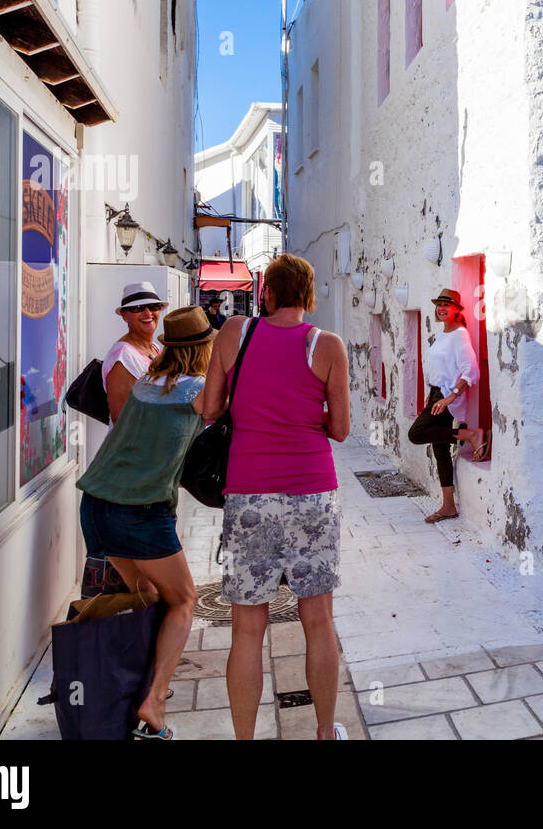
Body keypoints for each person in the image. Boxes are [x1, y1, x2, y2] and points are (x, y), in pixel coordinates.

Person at [201, 254, 351, 740]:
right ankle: (325, 731)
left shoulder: (234, 334)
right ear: (308, 296)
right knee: (318, 618)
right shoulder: (327, 346)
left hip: (249, 493)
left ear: (265, 293)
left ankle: (245, 738)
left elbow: (209, 407)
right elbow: (342, 430)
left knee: (248, 627)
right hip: (312, 492)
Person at [76, 306, 215, 740]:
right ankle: (153, 704)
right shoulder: (197, 390)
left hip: (96, 503)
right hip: (139, 510)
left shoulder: (144, 385)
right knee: (184, 600)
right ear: (202, 348)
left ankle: (135, 686)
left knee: (147, 593)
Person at [407, 288, 489, 523]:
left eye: (447, 304)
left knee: (416, 433)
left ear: (456, 309)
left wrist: (449, 397)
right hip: (435, 395)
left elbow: (471, 370)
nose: (442, 308)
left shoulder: (460, 335)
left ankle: (470, 435)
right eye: (439, 304)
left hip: (445, 397)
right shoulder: (442, 334)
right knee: (439, 449)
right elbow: (438, 368)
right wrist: (430, 393)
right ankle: (448, 506)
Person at [103, 282, 166, 423]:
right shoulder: (122, 358)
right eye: (138, 308)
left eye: (153, 306)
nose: (148, 313)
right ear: (125, 315)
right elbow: (121, 418)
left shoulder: (155, 348)